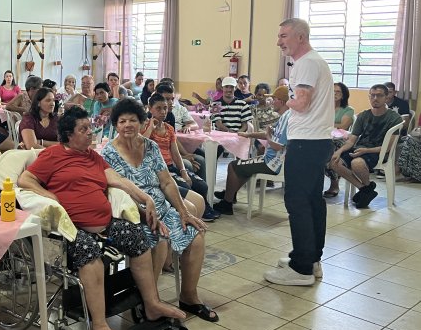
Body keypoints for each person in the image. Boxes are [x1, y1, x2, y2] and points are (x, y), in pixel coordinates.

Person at [18, 107, 191, 330]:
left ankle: (151, 304)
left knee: (140, 238)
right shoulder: (52, 155)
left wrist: (146, 200)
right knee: (90, 255)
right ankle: (99, 326)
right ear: (68, 135)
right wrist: (51, 196)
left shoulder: (93, 157)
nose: (91, 133)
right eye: (84, 129)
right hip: (74, 229)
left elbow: (119, 181)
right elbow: (25, 180)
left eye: (90, 127)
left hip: (105, 223)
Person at [102, 99, 216, 322]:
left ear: (142, 122)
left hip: (162, 209)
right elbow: (115, 193)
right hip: (135, 217)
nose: (127, 125)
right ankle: (148, 303)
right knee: (159, 240)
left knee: (196, 234)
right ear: (115, 125)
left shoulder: (150, 146)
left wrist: (184, 212)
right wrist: (144, 214)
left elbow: (166, 182)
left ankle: (189, 296)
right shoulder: (109, 153)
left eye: (132, 120)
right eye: (122, 121)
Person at [264, 18, 333, 287]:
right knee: (313, 201)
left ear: (300, 37)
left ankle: (301, 268)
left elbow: (302, 104)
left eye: (284, 35)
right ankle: (310, 258)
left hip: (306, 141)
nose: (279, 41)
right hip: (317, 141)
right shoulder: (314, 61)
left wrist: (277, 101)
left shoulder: (305, 63)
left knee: (297, 202)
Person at [213, 85, 291, 215]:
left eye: (274, 99)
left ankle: (227, 203)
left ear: (282, 101)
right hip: (273, 161)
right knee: (244, 167)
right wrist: (249, 135)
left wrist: (267, 136)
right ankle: (229, 196)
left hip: (272, 163)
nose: (271, 102)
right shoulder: (284, 116)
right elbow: (268, 134)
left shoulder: (286, 119)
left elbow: (279, 146)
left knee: (233, 166)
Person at [142, 94, 216, 222]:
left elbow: (175, 153)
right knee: (185, 187)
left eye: (165, 108)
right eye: (158, 108)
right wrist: (150, 128)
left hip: (171, 166)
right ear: (150, 108)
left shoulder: (169, 128)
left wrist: (183, 171)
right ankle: (188, 213)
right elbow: (141, 147)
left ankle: (203, 209)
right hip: (159, 170)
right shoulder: (144, 126)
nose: (163, 112)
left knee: (201, 185)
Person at [329, 84, 403, 208]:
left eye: (379, 95)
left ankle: (365, 191)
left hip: (378, 151)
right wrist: (339, 151)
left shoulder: (394, 118)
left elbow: (388, 148)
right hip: (360, 148)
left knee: (356, 163)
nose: (375, 98)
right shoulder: (363, 115)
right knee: (334, 161)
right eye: (372, 95)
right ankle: (366, 189)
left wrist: (366, 150)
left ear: (386, 97)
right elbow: (351, 141)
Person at [323, 82, 355, 197]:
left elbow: (343, 126)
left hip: (341, 140)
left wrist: (326, 124)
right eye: (333, 91)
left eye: (338, 92)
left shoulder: (348, 110)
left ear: (343, 95)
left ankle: (334, 184)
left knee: (331, 147)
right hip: (324, 136)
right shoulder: (323, 108)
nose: (335, 94)